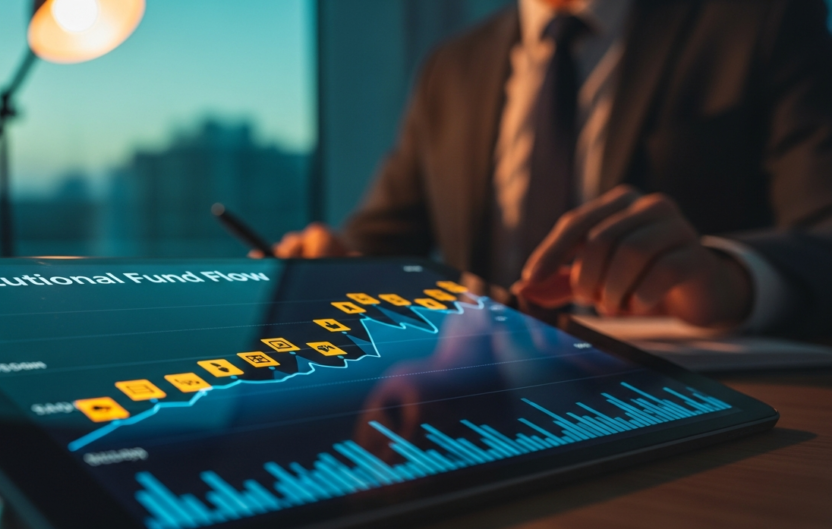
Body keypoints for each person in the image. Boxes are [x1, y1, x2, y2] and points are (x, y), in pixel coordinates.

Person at [268, 0, 832, 336]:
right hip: (479, 407)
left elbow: (822, 233)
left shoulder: (760, 23)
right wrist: (332, 268)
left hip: (691, 408)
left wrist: (729, 277)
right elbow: (383, 242)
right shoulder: (450, 68)